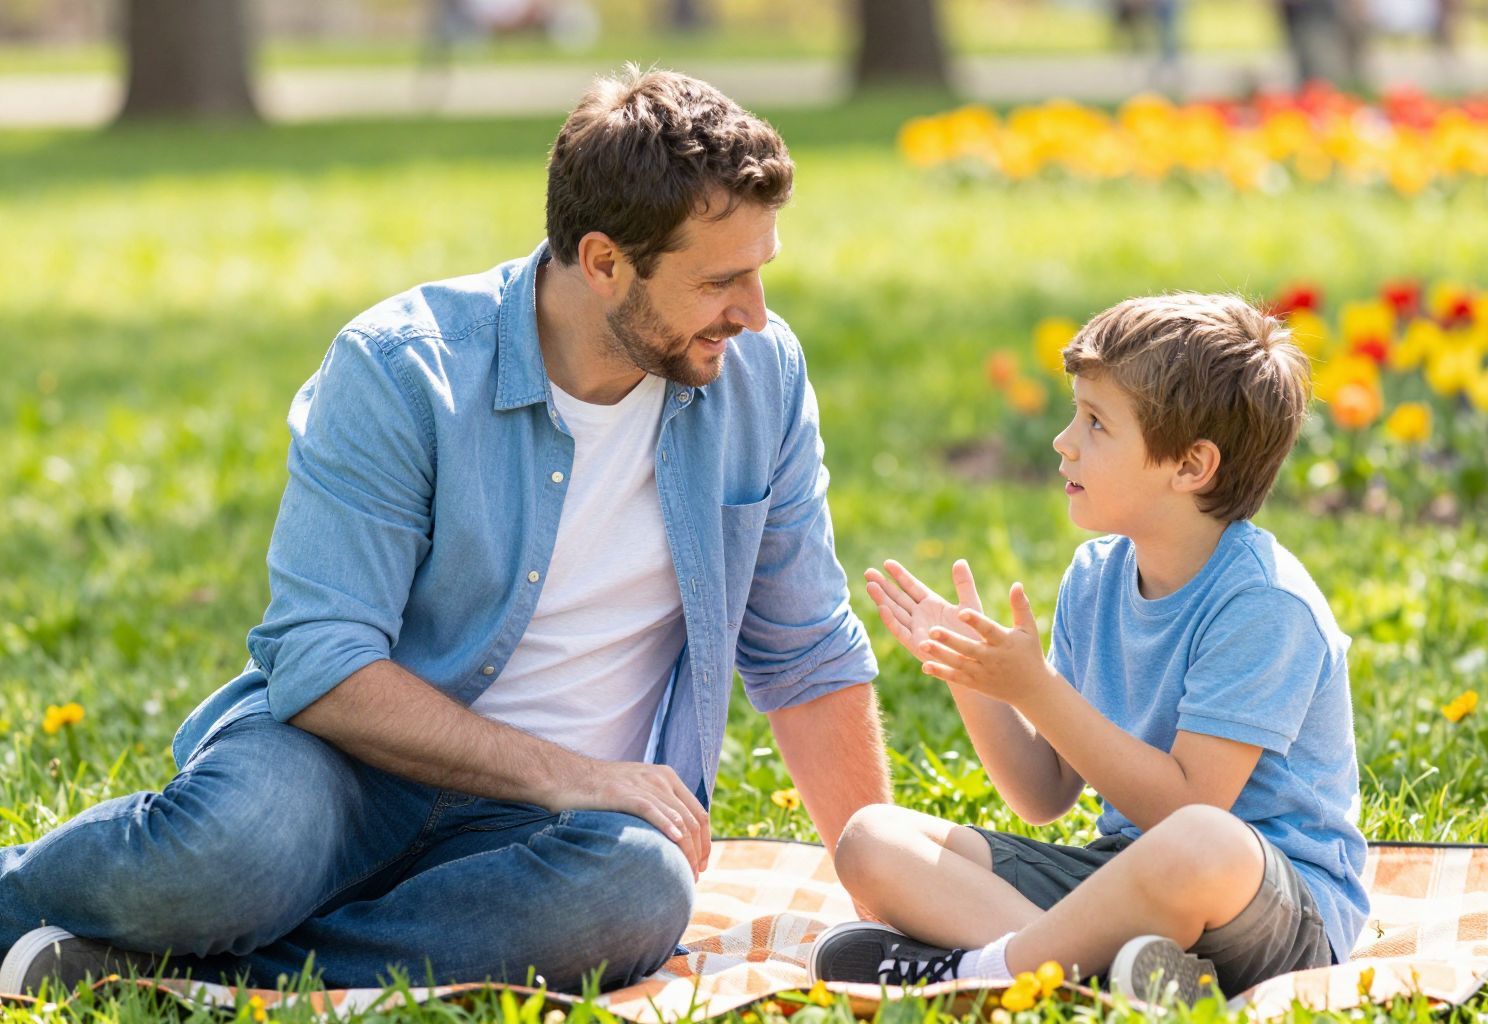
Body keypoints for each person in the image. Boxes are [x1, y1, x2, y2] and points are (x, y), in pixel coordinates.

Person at [0, 67, 887, 996]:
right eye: (720, 280)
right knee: (230, 854)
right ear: (604, 261)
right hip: (339, 773)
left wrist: (891, 890)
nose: (751, 311)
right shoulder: (401, 370)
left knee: (638, 892)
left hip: (551, 841)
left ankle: (217, 975)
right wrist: (574, 774)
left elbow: (805, 653)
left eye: (759, 272)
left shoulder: (761, 376)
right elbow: (322, 662)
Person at [808, 294, 1367, 1002]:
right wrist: (976, 677)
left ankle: (984, 973)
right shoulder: (1096, 576)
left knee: (1199, 842)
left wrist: (1036, 687)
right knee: (870, 840)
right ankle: (1117, 983)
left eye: (1096, 423)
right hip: (1121, 881)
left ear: (1191, 465)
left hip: (1270, 910)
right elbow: (1043, 793)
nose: (1063, 441)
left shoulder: (1265, 604)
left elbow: (1187, 809)